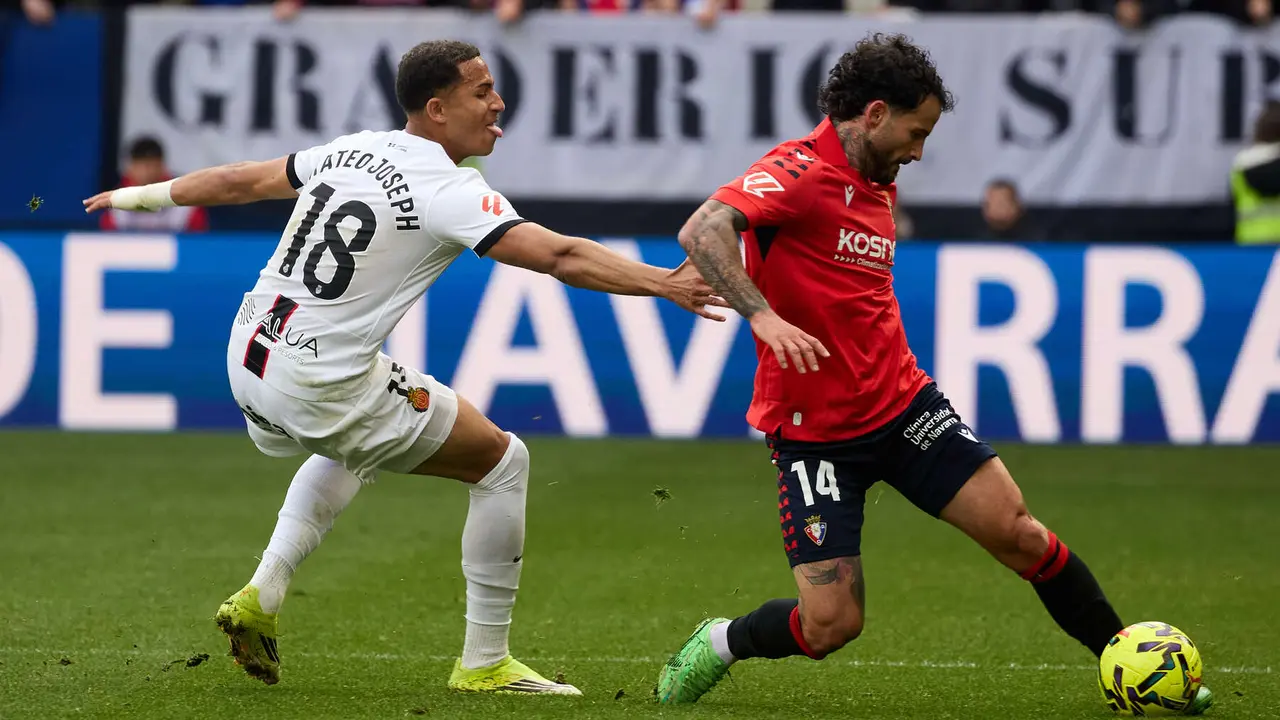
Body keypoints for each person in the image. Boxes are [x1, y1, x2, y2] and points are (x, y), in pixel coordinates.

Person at [84, 39, 725, 695]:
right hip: (317, 381)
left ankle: (262, 594)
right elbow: (557, 256)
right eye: (482, 91)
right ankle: (485, 663)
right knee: (503, 462)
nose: (498, 101)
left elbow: (242, 180)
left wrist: (139, 197)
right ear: (438, 108)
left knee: (359, 442)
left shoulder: (353, 148)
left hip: (250, 354)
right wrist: (663, 283)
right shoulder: (448, 188)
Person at [651, 33, 1212, 715]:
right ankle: (723, 642)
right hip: (815, 436)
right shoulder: (796, 171)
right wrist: (762, 316)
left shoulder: (878, 182)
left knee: (1020, 533)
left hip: (904, 407)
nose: (918, 151)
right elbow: (703, 230)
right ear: (877, 114)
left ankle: (1129, 660)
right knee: (832, 625)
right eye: (916, 133)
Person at [100, 137, 209, 233]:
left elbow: (199, 243)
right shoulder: (114, 205)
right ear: (130, 168)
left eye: (153, 165)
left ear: (162, 166)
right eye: (142, 166)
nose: (148, 172)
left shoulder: (185, 203)